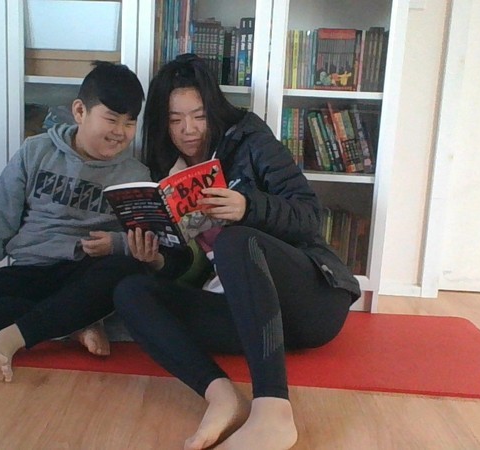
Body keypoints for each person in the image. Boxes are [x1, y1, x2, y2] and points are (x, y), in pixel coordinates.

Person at [113, 54, 361, 450]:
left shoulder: (251, 140)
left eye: (198, 116)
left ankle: (273, 413)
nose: (189, 130)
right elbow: (191, 265)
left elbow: (310, 216)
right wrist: (158, 259)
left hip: (309, 303)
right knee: (130, 292)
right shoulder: (164, 166)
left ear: (213, 110)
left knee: (235, 240)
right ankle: (221, 397)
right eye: (175, 120)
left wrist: (249, 207)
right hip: (245, 316)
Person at [0, 61, 149, 382]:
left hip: (84, 273)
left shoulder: (136, 175)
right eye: (111, 119)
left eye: (130, 122)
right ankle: (74, 324)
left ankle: (48, 323)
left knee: (125, 271)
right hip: (30, 270)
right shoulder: (35, 152)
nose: (120, 132)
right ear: (80, 111)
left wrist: (115, 244)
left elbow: (141, 240)